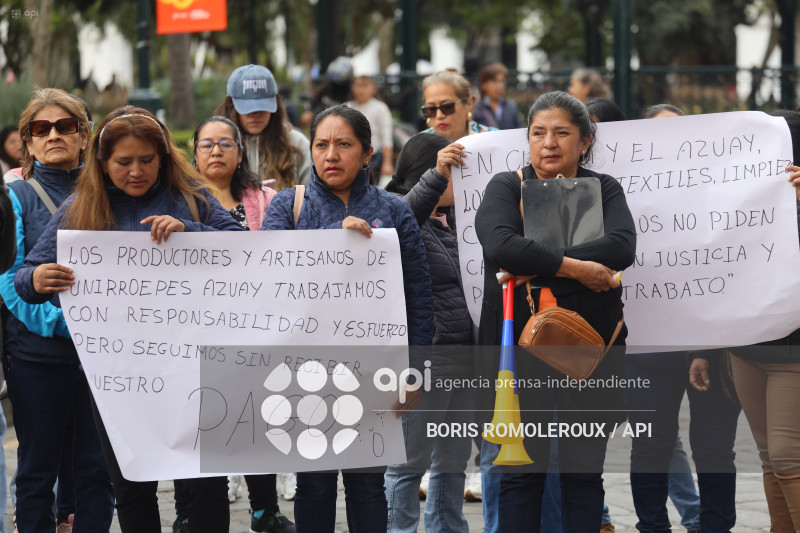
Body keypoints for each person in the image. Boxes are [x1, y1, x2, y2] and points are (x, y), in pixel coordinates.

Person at [13, 105, 243, 533]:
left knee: (206, 487)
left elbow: (242, 248)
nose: (136, 171)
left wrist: (192, 232)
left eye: (146, 160)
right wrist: (39, 277)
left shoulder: (190, 196)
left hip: (195, 373)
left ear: (163, 158)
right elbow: (26, 275)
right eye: (123, 162)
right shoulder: (81, 207)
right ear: (102, 163)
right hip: (118, 381)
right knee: (133, 487)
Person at [261, 104, 434, 532]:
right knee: (313, 486)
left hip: (376, 374)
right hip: (305, 374)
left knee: (367, 487)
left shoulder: (394, 211)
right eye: (321, 144)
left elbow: (418, 294)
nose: (331, 155)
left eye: (343, 144)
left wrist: (416, 370)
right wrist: (331, 244)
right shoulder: (289, 206)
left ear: (368, 153)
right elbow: (266, 279)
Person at [474, 90, 636, 531]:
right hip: (520, 353)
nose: (549, 143)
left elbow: (622, 246)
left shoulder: (605, 188)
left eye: (562, 133)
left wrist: (539, 261)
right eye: (538, 133)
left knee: (583, 474)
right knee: (522, 473)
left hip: (593, 350)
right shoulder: (507, 186)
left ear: (585, 141)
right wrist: (579, 268)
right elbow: (501, 244)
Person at [0, 87, 115, 533]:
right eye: (40, 129)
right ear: (26, 142)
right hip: (36, 356)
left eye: (65, 127)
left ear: (85, 136)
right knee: (37, 470)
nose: (54, 136)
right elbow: (8, 279)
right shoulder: (15, 196)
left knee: (96, 468)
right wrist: (63, 323)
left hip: (104, 356)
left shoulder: (112, 190)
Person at [688, 109, 800, 532]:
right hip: (744, 349)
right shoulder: (738, 200)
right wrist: (705, 349)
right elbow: (721, 275)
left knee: (788, 455)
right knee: (770, 455)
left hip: (792, 352)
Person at [190, 115, 294, 533]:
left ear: (239, 151)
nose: (216, 151)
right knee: (202, 423)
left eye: (225, 144)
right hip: (197, 328)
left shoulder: (266, 199)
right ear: (193, 152)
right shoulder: (180, 199)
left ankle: (263, 510)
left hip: (254, 326)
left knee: (258, 416)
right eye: (206, 144)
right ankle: (190, 511)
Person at [383, 132, 474, 533]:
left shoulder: (457, 222)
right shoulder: (400, 216)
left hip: (465, 359)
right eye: (455, 174)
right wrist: (438, 175)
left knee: (452, 465)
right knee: (407, 465)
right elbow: (405, 214)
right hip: (428, 361)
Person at [215, 64, 311, 191]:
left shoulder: (297, 142)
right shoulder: (215, 145)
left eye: (263, 107)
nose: (255, 114)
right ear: (231, 105)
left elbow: (313, 197)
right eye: (247, 108)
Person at [421, 68, 497, 142]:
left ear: (469, 103)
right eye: (431, 109)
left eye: (447, 107)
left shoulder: (494, 139)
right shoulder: (417, 146)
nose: (439, 115)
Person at [346, 75, 394, 181]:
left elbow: (386, 136)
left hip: (373, 157)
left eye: (365, 86)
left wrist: (387, 163)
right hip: (350, 155)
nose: (361, 90)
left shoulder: (380, 108)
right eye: (358, 86)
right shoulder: (347, 107)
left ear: (373, 89)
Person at [472, 63, 523, 130]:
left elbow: (519, 132)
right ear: (484, 84)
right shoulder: (476, 109)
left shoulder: (511, 107)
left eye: (502, 81)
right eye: (494, 81)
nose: (499, 86)